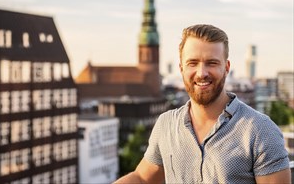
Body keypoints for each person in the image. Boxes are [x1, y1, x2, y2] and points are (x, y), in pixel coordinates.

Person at [114, 24, 291, 184]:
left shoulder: (261, 131)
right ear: (181, 68)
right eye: (192, 63)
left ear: (227, 68)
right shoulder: (166, 124)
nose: (201, 73)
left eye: (212, 63)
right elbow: (143, 178)